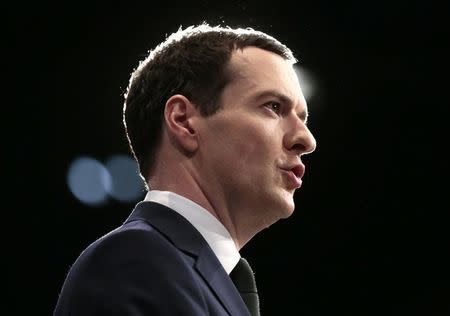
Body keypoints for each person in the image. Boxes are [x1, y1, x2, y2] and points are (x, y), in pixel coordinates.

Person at [54, 22, 316, 315]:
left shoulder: (189, 273)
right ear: (183, 121)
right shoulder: (134, 262)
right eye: (273, 107)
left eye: (303, 118)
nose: (306, 140)